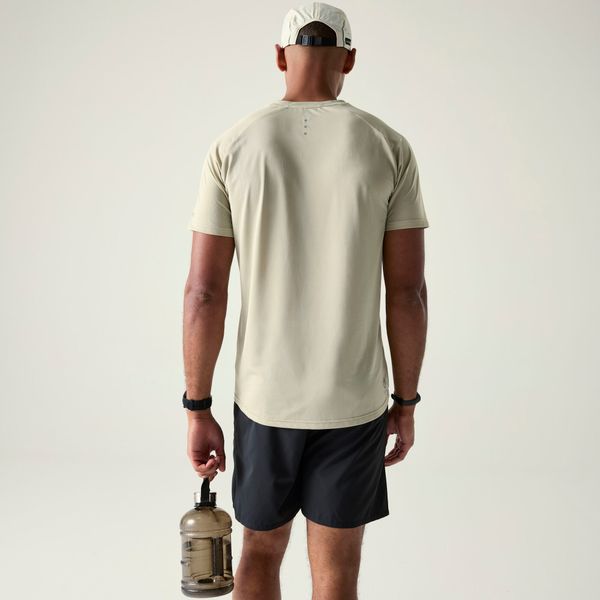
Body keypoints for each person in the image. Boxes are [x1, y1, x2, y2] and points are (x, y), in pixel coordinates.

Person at [182, 3, 429, 599]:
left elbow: (203, 293)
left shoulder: (233, 146)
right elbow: (408, 293)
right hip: (353, 399)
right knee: (337, 571)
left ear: (278, 56)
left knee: (260, 553)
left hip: (266, 399)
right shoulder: (388, 147)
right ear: (350, 59)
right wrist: (405, 401)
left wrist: (197, 406)